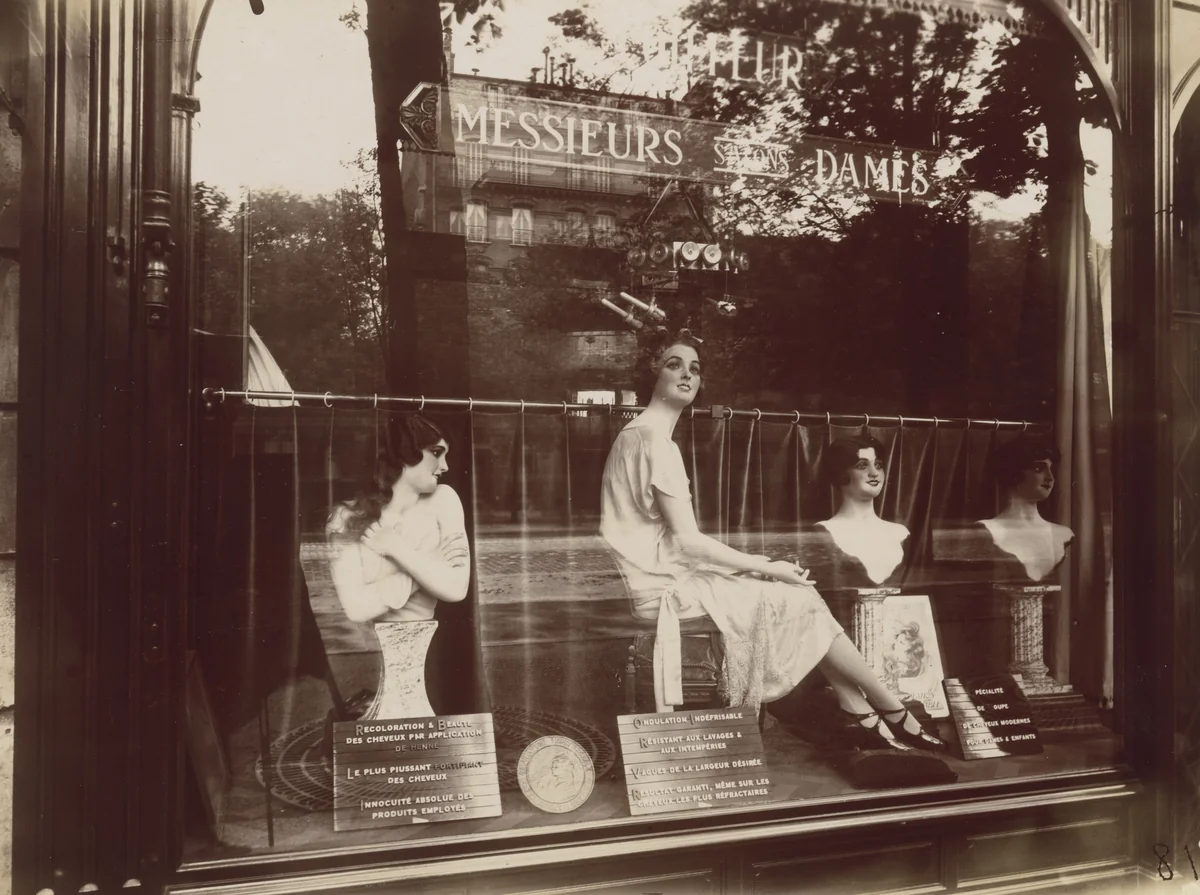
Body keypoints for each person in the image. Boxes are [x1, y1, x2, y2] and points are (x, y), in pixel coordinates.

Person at [600, 331, 942, 751]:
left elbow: (672, 541)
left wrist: (751, 566)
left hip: (660, 576)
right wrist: (766, 567)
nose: (687, 374)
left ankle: (862, 709)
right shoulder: (654, 441)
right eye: (674, 364)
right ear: (652, 372)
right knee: (800, 598)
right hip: (660, 588)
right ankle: (890, 707)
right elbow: (687, 542)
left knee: (793, 594)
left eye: (695, 368)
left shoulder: (640, 433)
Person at [326, 414, 471, 718]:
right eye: (436, 453)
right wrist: (430, 565)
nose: (445, 467)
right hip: (377, 652)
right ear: (404, 456)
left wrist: (397, 550)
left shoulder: (444, 500)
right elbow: (356, 608)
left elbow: (457, 588)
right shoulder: (346, 518)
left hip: (423, 654)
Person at [815, 436, 910, 588]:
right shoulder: (824, 532)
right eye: (862, 466)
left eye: (878, 465)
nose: (874, 473)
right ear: (841, 474)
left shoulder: (901, 532)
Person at [978, 436, 1074, 583]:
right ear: (1013, 473)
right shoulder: (988, 529)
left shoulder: (1063, 534)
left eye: (1050, 469)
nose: (1050, 477)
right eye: (1038, 469)